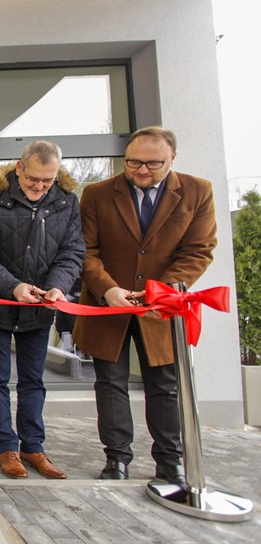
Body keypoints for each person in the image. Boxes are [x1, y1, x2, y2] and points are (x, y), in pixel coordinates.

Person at [72, 126, 217, 485]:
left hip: (161, 308)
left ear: (172, 159)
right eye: (133, 162)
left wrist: (160, 291)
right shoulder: (97, 194)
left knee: (165, 386)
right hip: (109, 305)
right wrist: (108, 290)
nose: (141, 170)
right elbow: (85, 250)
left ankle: (170, 462)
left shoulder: (198, 191)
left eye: (153, 164)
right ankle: (116, 458)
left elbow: (199, 250)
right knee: (110, 384)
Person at [0, 141, 84, 479]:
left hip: (40, 309)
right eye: (33, 179)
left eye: (47, 181)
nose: (39, 186)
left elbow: (72, 251)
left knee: (33, 381)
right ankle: (6, 447)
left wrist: (58, 287)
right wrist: (13, 287)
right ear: (19, 168)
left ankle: (33, 447)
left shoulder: (67, 201)